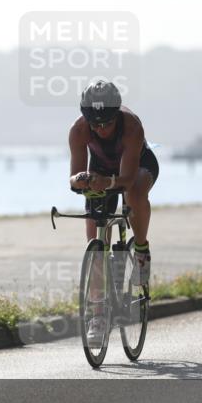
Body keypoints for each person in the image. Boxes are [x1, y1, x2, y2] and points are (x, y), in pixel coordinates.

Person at [68, 80, 159, 346]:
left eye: (107, 123)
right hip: (101, 169)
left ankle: (141, 250)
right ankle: (97, 315)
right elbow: (73, 177)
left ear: (116, 114)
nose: (101, 129)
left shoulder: (131, 126)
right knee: (95, 244)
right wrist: (81, 180)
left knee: (134, 194)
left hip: (137, 167)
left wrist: (107, 183)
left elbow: (127, 179)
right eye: (95, 124)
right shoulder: (78, 130)